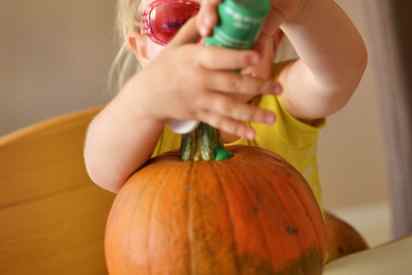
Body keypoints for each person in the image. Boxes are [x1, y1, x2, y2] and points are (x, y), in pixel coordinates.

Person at [84, 0, 367, 208]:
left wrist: (303, 8)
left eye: (234, 19)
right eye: (174, 19)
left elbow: (341, 74)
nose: (208, 35)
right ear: (141, 50)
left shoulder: (280, 96)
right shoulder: (145, 125)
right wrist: (141, 100)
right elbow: (102, 167)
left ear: (273, 38)